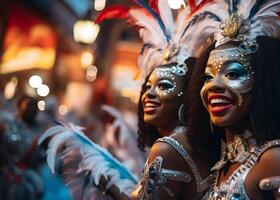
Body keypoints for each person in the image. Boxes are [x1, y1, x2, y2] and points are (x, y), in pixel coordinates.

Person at [40, 0, 218, 199]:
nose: (149, 94)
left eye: (164, 86)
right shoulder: (192, 142)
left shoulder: (168, 148)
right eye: (147, 86)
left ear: (186, 97)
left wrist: (106, 182)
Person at [187, 0, 280, 199]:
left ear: (265, 84)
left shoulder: (276, 157)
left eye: (232, 74)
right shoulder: (219, 167)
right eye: (208, 77)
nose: (214, 85)